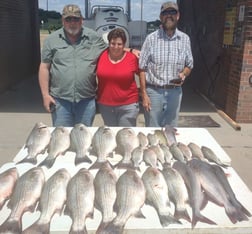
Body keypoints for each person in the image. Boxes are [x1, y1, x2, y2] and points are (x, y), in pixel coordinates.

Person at [39, 4, 138, 127]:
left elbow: (112, 48)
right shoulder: (51, 40)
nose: (72, 23)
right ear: (63, 21)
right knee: (62, 140)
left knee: (83, 140)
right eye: (68, 19)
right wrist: (45, 95)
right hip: (60, 101)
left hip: (86, 101)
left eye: (75, 19)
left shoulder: (93, 37)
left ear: (82, 20)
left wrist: (131, 50)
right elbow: (44, 67)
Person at [139, 1, 193, 127]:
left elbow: (189, 65)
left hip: (175, 93)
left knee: (171, 130)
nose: (169, 15)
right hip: (154, 92)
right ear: (161, 17)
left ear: (178, 15)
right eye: (165, 13)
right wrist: (144, 94)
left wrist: (184, 74)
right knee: (153, 130)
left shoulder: (185, 39)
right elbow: (142, 68)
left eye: (172, 12)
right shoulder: (151, 39)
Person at [96, 28, 144, 127]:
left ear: (124, 44)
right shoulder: (100, 55)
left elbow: (142, 74)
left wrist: (144, 93)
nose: (116, 47)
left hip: (128, 105)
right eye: (113, 43)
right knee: (111, 136)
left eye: (119, 44)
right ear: (109, 43)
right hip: (106, 105)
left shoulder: (132, 58)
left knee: (126, 136)